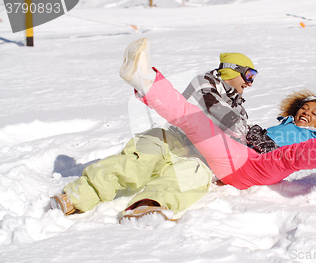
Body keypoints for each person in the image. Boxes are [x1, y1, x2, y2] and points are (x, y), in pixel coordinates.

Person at [52, 38, 316, 225]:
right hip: (237, 153)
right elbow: (214, 109)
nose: (307, 112)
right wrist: (253, 134)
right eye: (304, 107)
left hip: (263, 164)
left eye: (315, 113)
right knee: (194, 122)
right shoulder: (271, 124)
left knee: (295, 155)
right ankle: (147, 81)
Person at [50, 39, 259, 224]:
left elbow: (235, 140)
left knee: (188, 178)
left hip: (199, 156)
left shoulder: (240, 109)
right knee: (135, 162)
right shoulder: (204, 84)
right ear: (232, 69)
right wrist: (247, 132)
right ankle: (78, 195)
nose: (250, 82)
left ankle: (149, 205)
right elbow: (214, 112)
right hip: (172, 138)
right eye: (249, 74)